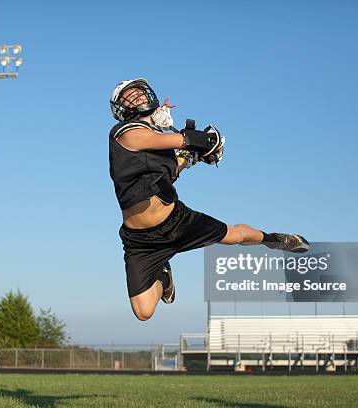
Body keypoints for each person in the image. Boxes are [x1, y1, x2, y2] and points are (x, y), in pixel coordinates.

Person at [108, 78, 310, 321]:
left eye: (140, 92)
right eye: (130, 95)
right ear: (121, 109)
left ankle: (272, 239)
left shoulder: (161, 150)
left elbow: (172, 170)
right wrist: (197, 142)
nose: (138, 97)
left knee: (234, 235)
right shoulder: (124, 133)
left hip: (176, 222)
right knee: (143, 312)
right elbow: (170, 140)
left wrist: (189, 159)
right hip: (141, 240)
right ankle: (162, 274)